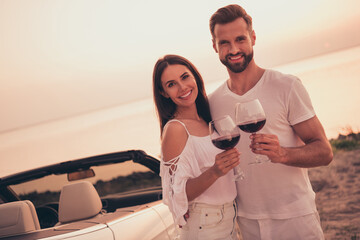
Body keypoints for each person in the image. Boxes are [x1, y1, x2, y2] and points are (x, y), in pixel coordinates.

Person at [208, 4, 333, 240]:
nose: (234, 49)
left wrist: (283, 154)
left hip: (296, 216)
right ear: (215, 46)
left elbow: (325, 152)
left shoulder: (286, 86)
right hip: (247, 222)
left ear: (253, 38)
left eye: (240, 39)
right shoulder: (213, 103)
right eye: (224, 42)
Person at [152, 54, 241, 239]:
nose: (182, 87)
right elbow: (177, 194)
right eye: (171, 84)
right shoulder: (175, 129)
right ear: (163, 93)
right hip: (205, 223)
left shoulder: (207, 117)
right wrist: (215, 171)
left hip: (228, 217)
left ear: (194, 76)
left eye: (185, 77)